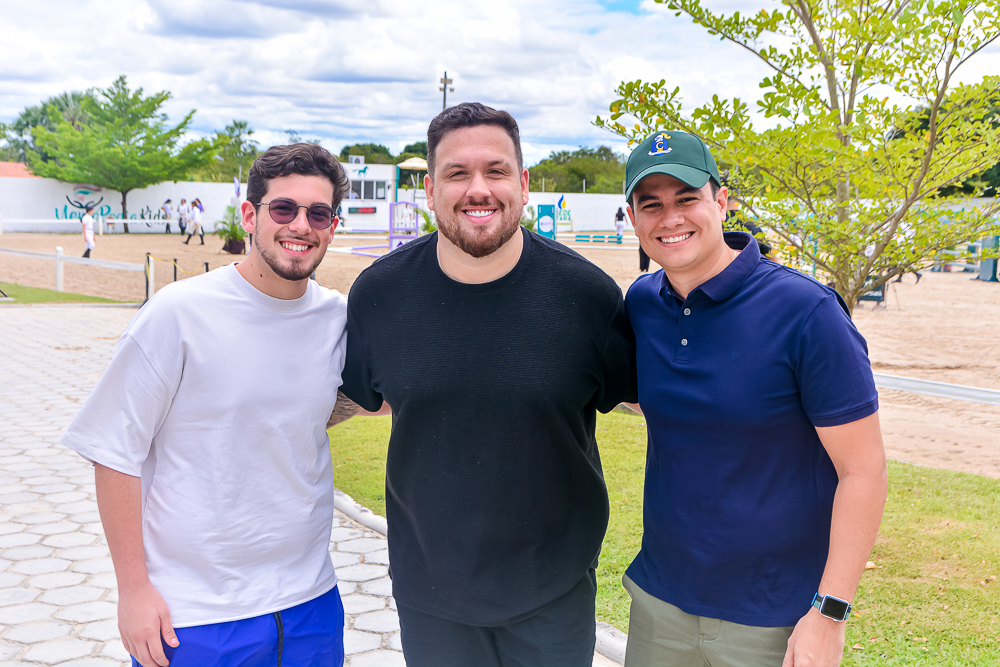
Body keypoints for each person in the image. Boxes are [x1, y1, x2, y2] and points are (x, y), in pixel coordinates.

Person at [338, 102, 637, 666]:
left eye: (496, 171)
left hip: (555, 593)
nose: (479, 189)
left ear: (523, 185)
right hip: (430, 596)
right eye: (457, 173)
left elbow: (653, 403)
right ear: (430, 189)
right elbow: (345, 399)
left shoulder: (588, 297)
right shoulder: (379, 295)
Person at [62, 143, 355, 667]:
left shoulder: (339, 320)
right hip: (195, 611)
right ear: (250, 215)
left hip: (311, 600)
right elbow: (112, 451)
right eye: (284, 209)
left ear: (333, 224)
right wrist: (133, 592)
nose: (301, 226)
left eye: (318, 213)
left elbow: (358, 400)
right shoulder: (178, 313)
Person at [621, 130, 888, 667]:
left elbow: (865, 471)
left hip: (774, 618)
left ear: (722, 201)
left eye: (687, 198)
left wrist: (829, 615)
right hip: (659, 603)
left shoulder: (807, 312)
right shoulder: (642, 303)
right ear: (632, 218)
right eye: (651, 204)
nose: (670, 218)